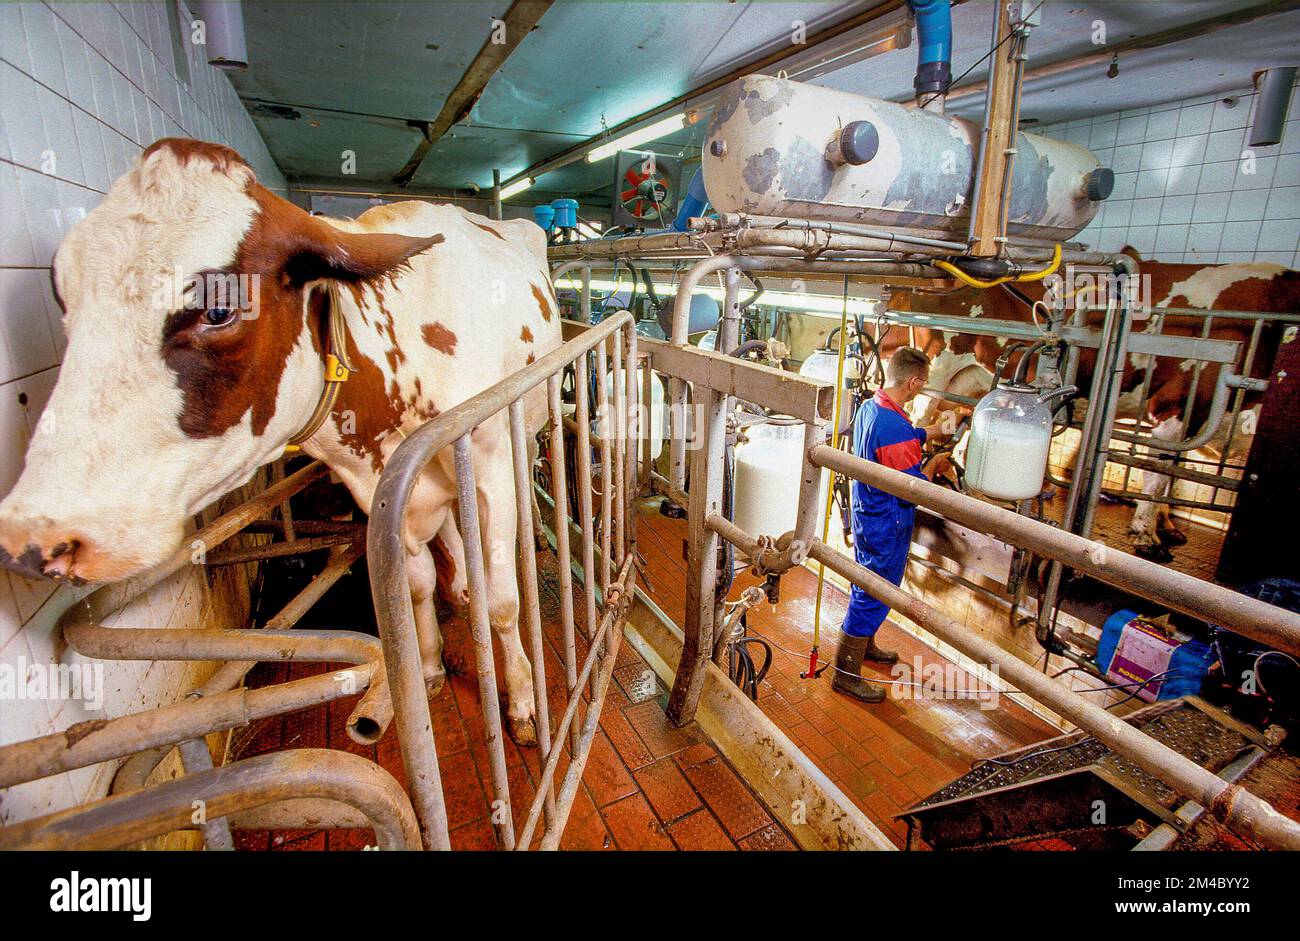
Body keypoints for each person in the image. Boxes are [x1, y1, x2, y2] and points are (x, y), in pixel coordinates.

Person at [834, 347, 956, 703]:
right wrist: (937, 464)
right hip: (889, 520)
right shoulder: (893, 425)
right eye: (924, 382)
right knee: (873, 592)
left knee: (870, 587)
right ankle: (845, 672)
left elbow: (897, 441)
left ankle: (865, 644)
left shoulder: (873, 407)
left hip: (868, 513)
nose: (923, 387)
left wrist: (930, 431)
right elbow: (911, 488)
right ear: (914, 381)